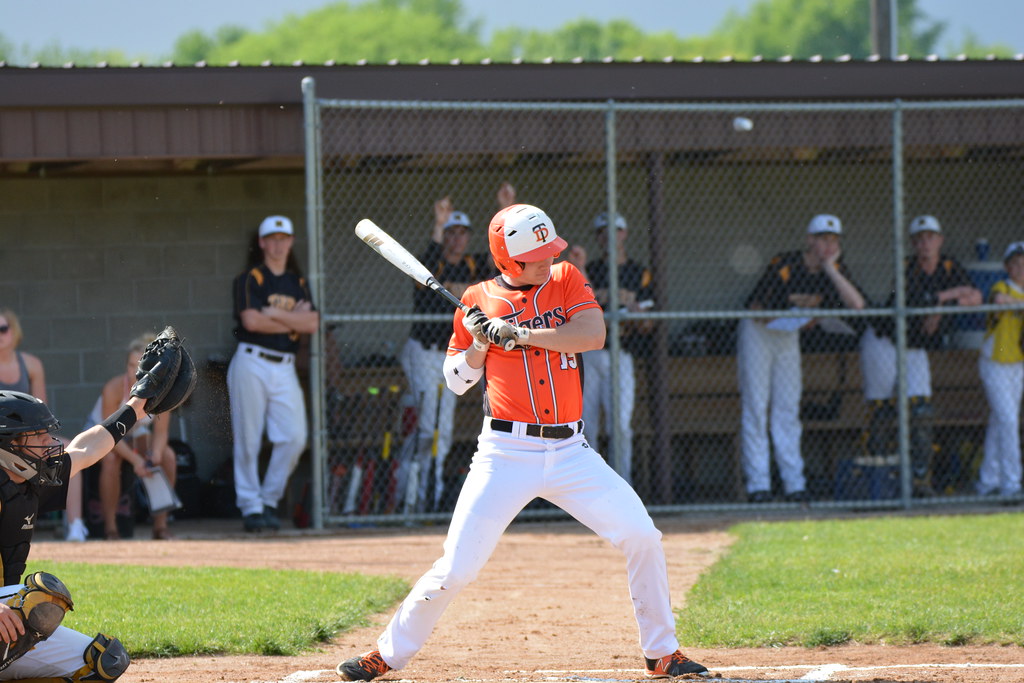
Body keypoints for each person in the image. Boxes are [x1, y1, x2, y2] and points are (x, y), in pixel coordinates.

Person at [336, 204, 709, 681]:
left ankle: (663, 652)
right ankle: (386, 655)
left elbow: (592, 334)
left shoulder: (566, 277)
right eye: (534, 254)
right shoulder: (476, 299)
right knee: (456, 569)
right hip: (505, 454)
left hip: (572, 452)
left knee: (642, 536)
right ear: (507, 258)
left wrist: (521, 333)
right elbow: (455, 381)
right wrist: (479, 344)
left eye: (547, 250)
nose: (545, 260)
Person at [0, 326, 192, 681]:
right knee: (42, 597)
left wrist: (138, 404)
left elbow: (86, 448)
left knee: (104, 660)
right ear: (8, 446)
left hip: (5, 621)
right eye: (37, 436)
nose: (48, 442)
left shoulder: (25, 478)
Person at [738, 214, 866, 504]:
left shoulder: (834, 269)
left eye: (833, 241)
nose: (827, 246)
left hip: (789, 336)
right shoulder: (785, 264)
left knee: (788, 408)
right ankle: (759, 485)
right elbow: (758, 308)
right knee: (757, 407)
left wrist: (831, 270)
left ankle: (794, 484)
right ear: (810, 240)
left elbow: (857, 305)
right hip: (759, 333)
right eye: (822, 240)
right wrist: (797, 317)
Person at [398, 184, 509, 512]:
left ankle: (429, 495)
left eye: (462, 233)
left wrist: (506, 207)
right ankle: (406, 491)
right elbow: (424, 268)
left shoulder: (474, 268)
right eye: (451, 232)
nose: (457, 238)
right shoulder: (433, 266)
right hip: (423, 350)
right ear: (443, 236)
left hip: (453, 353)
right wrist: (438, 223)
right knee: (424, 426)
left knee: (441, 429)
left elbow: (503, 262)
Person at [858, 215, 981, 496]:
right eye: (920, 238)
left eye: (931, 237)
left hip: (916, 347)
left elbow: (975, 297)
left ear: (940, 240)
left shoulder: (949, 266)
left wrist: (939, 298)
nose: (926, 243)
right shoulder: (906, 267)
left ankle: (920, 482)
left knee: (922, 410)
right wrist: (948, 297)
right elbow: (920, 308)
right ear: (913, 243)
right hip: (884, 341)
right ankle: (879, 483)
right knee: (882, 412)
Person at [228, 215, 319, 533]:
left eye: (284, 238)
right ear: (263, 242)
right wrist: (292, 318)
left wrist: (274, 314)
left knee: (295, 437)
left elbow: (312, 324)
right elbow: (251, 322)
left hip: (285, 365)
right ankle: (252, 507)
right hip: (251, 361)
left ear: (291, 241)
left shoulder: (298, 282)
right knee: (248, 438)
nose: (279, 244)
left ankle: (269, 501)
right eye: (273, 238)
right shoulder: (250, 278)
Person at [568, 211, 654, 486]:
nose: (610, 236)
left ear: (624, 234)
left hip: (622, 352)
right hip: (590, 352)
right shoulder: (590, 269)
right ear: (598, 237)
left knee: (619, 426)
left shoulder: (638, 273)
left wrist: (634, 310)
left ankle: (622, 484)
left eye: (615, 230)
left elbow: (648, 323)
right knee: (586, 424)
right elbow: (578, 310)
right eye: (603, 231)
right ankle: (587, 485)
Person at [0, 308, 88, 543]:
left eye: (3, 329)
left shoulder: (31, 364)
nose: (0, 335)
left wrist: (41, 440)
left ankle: (76, 525)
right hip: (3, 441)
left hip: (28, 436)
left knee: (69, 452)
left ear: (13, 331)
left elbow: (42, 412)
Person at [92, 333, 179, 540]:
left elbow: (161, 432)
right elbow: (108, 435)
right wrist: (137, 460)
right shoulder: (113, 389)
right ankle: (111, 528)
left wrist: (155, 454)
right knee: (111, 459)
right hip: (104, 436)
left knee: (167, 456)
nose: (136, 372)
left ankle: (161, 526)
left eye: (142, 366)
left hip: (136, 435)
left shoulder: (162, 391)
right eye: (131, 365)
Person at [976, 241, 1024, 499]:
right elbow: (998, 300)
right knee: (1008, 421)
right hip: (994, 364)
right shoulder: (1003, 286)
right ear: (1007, 267)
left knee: (999, 422)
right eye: (1015, 263)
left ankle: (987, 481)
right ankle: (1012, 484)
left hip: (1018, 364)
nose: (1021, 267)